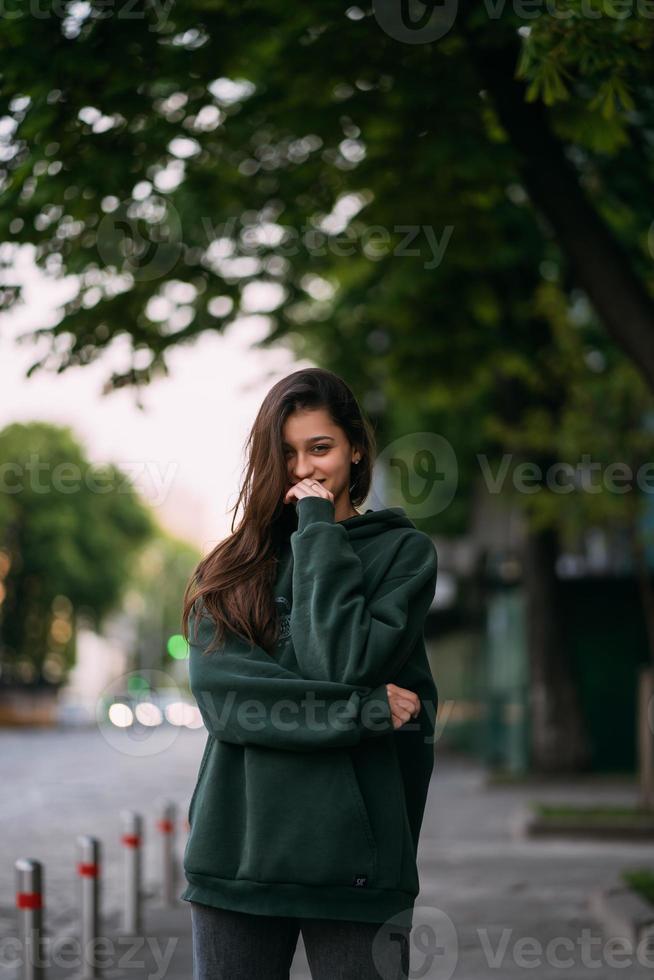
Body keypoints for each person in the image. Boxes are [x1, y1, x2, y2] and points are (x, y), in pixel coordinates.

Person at [179, 367, 439, 980]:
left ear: (354, 447)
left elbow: (339, 660)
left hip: (359, 866)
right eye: (287, 454)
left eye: (319, 448)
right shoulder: (232, 567)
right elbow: (229, 702)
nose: (303, 470)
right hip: (237, 860)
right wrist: (360, 711)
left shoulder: (402, 555)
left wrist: (318, 529)